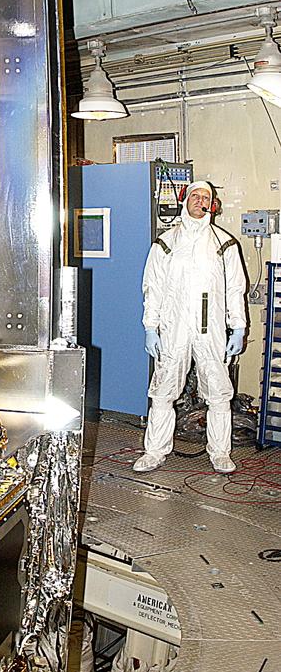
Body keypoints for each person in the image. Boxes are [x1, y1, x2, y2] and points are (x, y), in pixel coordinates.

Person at [134, 179, 246, 475]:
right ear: (185, 200)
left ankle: (220, 453)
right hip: (174, 328)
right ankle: (154, 451)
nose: (200, 201)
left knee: (219, 393)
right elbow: (153, 288)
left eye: (206, 197)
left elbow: (236, 289)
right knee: (162, 392)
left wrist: (238, 327)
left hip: (212, 329)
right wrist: (151, 325)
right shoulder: (166, 243)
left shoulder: (224, 244)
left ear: (213, 204)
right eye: (195, 196)